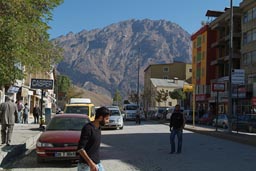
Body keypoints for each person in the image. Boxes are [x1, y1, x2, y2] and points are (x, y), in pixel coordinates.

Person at [77, 106, 110, 171]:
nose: (108, 121)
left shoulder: (98, 128)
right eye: (106, 119)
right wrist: (90, 163)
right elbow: (80, 149)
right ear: (100, 118)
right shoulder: (88, 128)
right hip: (86, 166)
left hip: (97, 164)